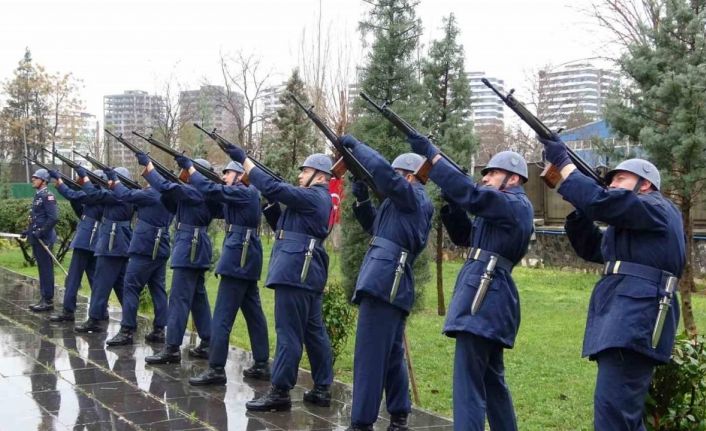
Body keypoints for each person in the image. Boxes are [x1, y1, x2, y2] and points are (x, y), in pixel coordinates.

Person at [539, 134, 685, 430]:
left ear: (645, 185)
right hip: (626, 319)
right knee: (622, 416)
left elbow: (603, 202)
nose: (612, 184)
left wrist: (565, 165)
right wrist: (584, 210)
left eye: (621, 179)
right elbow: (594, 247)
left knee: (613, 415)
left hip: (634, 320)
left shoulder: (657, 207)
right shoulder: (636, 223)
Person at [407, 134, 534, 431]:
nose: (486, 178)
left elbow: (474, 198)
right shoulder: (502, 208)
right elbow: (466, 235)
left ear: (513, 178)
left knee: (468, 386)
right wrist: (452, 203)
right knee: (491, 382)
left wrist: (434, 159)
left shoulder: (514, 204)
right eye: (485, 173)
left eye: (493, 173)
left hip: (485, 295)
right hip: (487, 294)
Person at [225, 144, 334, 412]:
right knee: (314, 332)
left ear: (319, 175)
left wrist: (246, 161)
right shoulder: (315, 199)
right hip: (305, 273)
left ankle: (281, 391)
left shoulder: (315, 196)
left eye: (305, 171)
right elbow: (288, 228)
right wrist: (272, 207)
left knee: (288, 334)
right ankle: (322, 388)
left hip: (296, 273)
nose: (300, 175)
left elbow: (275, 188)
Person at [340, 136, 433, 431]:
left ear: (408, 176)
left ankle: (361, 422)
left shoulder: (413, 196)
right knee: (392, 355)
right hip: (388, 280)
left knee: (368, 355)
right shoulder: (402, 203)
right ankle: (399, 415)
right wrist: (362, 197)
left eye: (397, 175)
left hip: (384, 281)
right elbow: (376, 228)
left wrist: (357, 147)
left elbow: (382, 172)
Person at [183, 158, 271, 385]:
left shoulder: (245, 192)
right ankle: (262, 363)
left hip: (238, 259)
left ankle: (216, 368)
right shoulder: (241, 195)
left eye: (228, 173)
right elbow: (214, 201)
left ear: (240, 175)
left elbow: (212, 189)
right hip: (244, 258)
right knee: (254, 314)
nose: (223, 177)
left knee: (222, 316)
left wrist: (191, 171)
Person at [137, 152, 220, 364]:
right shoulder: (194, 193)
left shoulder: (196, 192)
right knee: (197, 297)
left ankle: (172, 347)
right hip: (193, 247)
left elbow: (166, 188)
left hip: (190, 248)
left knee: (179, 298)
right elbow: (170, 200)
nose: (182, 173)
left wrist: (149, 166)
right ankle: (209, 341)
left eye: (185, 170)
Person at [104, 167, 173, 346]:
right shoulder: (169, 194)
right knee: (158, 289)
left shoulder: (151, 194)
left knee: (131, 287)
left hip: (145, 248)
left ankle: (127, 330)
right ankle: (159, 328)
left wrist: (114, 179)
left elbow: (125, 195)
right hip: (161, 247)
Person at [73, 166, 134, 333]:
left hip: (111, 244)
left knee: (101, 283)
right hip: (120, 244)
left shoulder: (117, 195)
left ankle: (95, 319)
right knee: (122, 285)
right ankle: (130, 319)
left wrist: (85, 178)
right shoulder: (124, 195)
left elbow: (94, 195)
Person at [48, 170, 103, 322]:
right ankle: (101, 310)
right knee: (94, 277)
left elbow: (73, 196)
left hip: (86, 240)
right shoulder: (101, 196)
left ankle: (68, 310)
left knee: (73, 278)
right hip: (94, 241)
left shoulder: (94, 194)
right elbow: (80, 210)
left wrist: (60, 183)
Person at [25, 168, 59, 312]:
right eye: (33, 177)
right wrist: (28, 231)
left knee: (46, 269)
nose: (33, 179)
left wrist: (41, 231)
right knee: (41, 268)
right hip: (37, 238)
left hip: (44, 239)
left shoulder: (47, 196)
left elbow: (53, 218)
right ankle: (44, 297)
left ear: (43, 181)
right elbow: (38, 218)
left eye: (36, 178)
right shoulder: (38, 195)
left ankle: (48, 300)